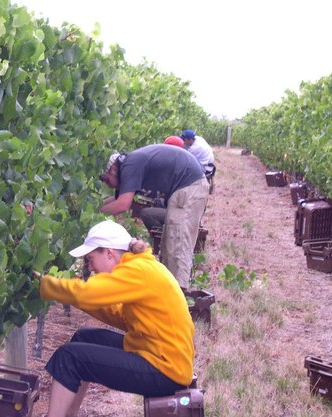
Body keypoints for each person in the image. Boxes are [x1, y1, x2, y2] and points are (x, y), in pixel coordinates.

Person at [39, 220, 195, 417]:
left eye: (90, 259)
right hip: (157, 354)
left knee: (68, 357)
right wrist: (80, 300)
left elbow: (88, 293)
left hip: (164, 370)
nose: (90, 266)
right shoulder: (140, 267)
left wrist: (47, 286)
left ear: (109, 254)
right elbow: (121, 316)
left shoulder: (137, 270)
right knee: (83, 337)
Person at [99, 144, 209, 289]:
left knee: (177, 245)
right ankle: (167, 291)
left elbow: (123, 204)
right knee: (168, 245)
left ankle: (179, 296)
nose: (109, 185)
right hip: (186, 187)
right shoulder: (130, 163)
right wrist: (94, 209)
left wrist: (96, 218)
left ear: (112, 170)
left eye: (106, 180)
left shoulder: (130, 165)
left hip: (189, 187)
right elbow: (117, 200)